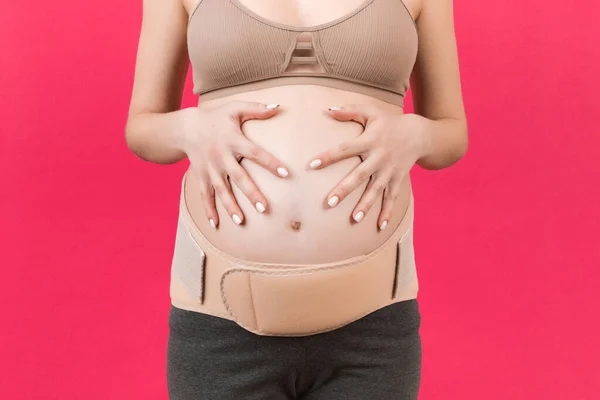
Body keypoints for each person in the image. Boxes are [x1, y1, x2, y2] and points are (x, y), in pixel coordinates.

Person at [125, 0, 467, 398]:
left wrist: (417, 135)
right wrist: (187, 127)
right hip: (219, 323)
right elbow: (142, 126)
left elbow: (452, 133)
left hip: (373, 325)